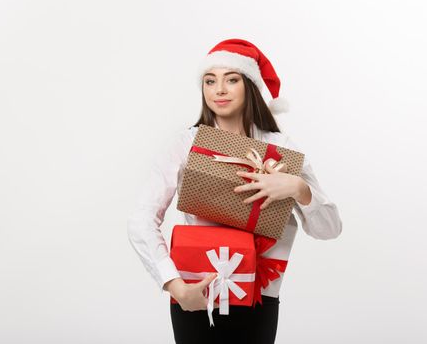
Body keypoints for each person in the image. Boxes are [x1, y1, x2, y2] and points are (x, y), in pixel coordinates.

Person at [127, 38, 342, 344]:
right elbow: (140, 219)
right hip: (195, 291)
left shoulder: (280, 149)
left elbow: (330, 229)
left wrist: (297, 188)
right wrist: (175, 286)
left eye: (232, 79)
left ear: (250, 86)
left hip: (258, 296)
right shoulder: (186, 144)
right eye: (210, 80)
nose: (220, 90)